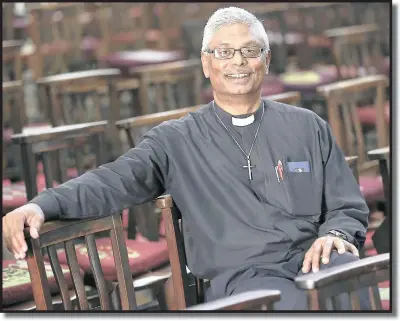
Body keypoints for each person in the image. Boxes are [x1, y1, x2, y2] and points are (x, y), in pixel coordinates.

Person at [3, 7, 370, 310]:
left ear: (266, 60)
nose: (238, 62)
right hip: (247, 279)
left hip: (315, 259)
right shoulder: (175, 139)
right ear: (206, 63)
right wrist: (42, 204)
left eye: (250, 50)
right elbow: (112, 180)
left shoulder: (307, 126)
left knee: (356, 283)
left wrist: (336, 233)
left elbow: (346, 204)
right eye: (224, 52)